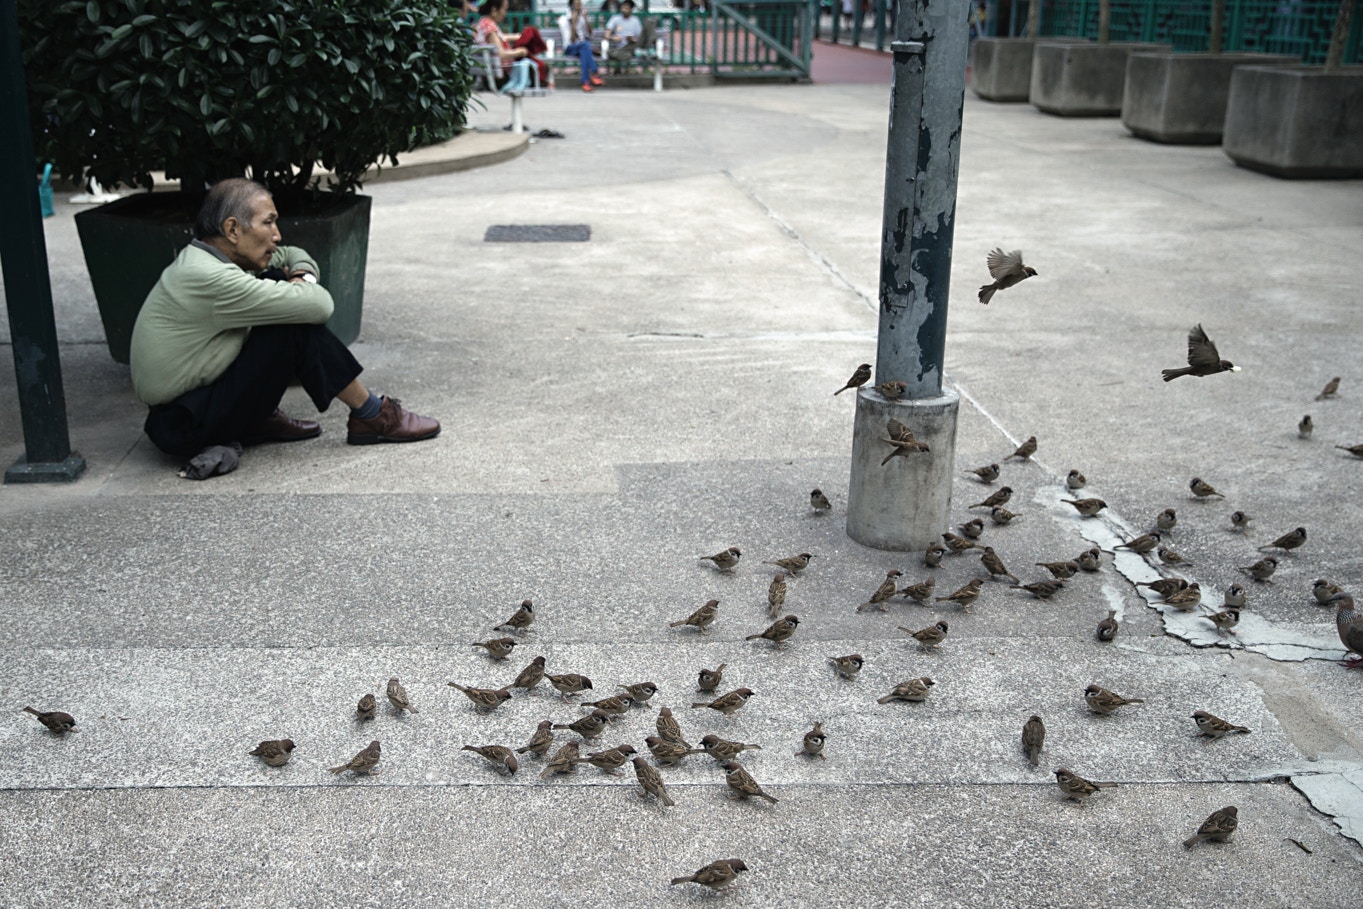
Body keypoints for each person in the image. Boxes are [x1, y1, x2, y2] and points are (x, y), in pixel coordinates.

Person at [129, 178, 440, 464]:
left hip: (193, 407)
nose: (277, 235)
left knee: (279, 282)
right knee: (292, 323)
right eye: (269, 223)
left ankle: (257, 417)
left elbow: (291, 253)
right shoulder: (209, 277)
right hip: (183, 423)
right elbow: (319, 305)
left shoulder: (210, 256)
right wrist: (302, 286)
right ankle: (373, 415)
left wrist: (299, 276)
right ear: (233, 229)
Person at [475, 0, 548, 89]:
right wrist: (520, 52)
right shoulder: (491, 27)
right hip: (501, 78)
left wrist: (514, 37)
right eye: (504, 10)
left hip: (490, 76)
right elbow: (500, 54)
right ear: (494, 10)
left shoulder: (483, 23)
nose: (505, 13)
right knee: (541, 68)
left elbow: (497, 39)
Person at [559, 0, 605, 92]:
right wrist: (573, 24)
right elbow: (570, 41)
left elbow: (591, 36)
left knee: (584, 51)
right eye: (578, 4)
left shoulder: (582, 18)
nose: (580, 5)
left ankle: (585, 83)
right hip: (570, 48)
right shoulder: (563, 20)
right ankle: (595, 73)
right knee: (585, 45)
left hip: (582, 47)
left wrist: (586, 20)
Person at [604, 0, 656, 66]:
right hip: (622, 47)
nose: (624, 10)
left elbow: (639, 36)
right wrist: (613, 37)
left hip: (634, 44)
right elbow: (606, 35)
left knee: (649, 21)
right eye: (623, 8)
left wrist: (632, 39)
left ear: (631, 9)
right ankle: (636, 53)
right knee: (610, 52)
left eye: (626, 8)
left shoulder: (635, 20)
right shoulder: (615, 19)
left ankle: (650, 48)